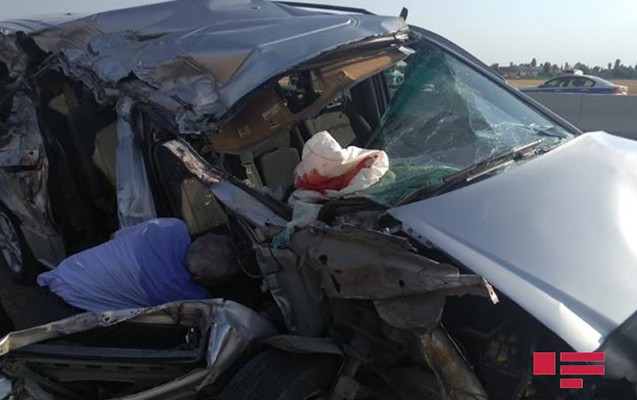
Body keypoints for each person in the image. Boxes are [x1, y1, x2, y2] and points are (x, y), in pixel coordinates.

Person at [4, 218, 238, 330]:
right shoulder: (184, 294)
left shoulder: (171, 227)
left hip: (66, 272)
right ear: (200, 279)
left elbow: (115, 236)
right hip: (74, 311)